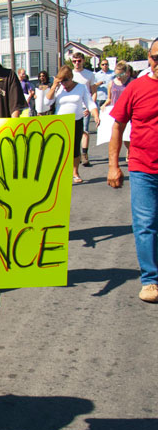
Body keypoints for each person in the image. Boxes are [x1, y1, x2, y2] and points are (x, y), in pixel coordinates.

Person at [107, 38, 158, 303]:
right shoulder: (136, 88)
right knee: (146, 224)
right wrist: (113, 166)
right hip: (143, 168)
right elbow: (117, 125)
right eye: (156, 58)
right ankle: (151, 280)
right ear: (149, 58)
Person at [46, 65, 100, 184]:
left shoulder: (81, 87)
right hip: (60, 122)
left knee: (75, 148)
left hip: (76, 121)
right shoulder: (59, 88)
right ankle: (60, 173)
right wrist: (54, 86)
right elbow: (47, 102)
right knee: (59, 149)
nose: (64, 83)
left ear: (71, 77)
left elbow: (90, 103)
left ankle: (75, 172)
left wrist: (96, 115)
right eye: (61, 81)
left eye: (65, 80)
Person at [96, 62, 132, 157]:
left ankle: (129, 151)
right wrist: (104, 105)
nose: (118, 77)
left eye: (121, 74)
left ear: (125, 73)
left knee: (127, 136)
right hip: (116, 112)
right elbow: (109, 99)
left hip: (128, 111)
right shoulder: (111, 83)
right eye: (117, 75)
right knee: (115, 135)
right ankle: (115, 157)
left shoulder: (131, 82)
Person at [70, 53, 96, 166]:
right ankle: (76, 154)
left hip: (85, 107)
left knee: (84, 131)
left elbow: (93, 92)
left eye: (79, 61)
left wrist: (90, 108)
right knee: (73, 133)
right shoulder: (70, 74)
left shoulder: (89, 75)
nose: (77, 63)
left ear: (83, 61)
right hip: (73, 107)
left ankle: (84, 154)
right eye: (74, 61)